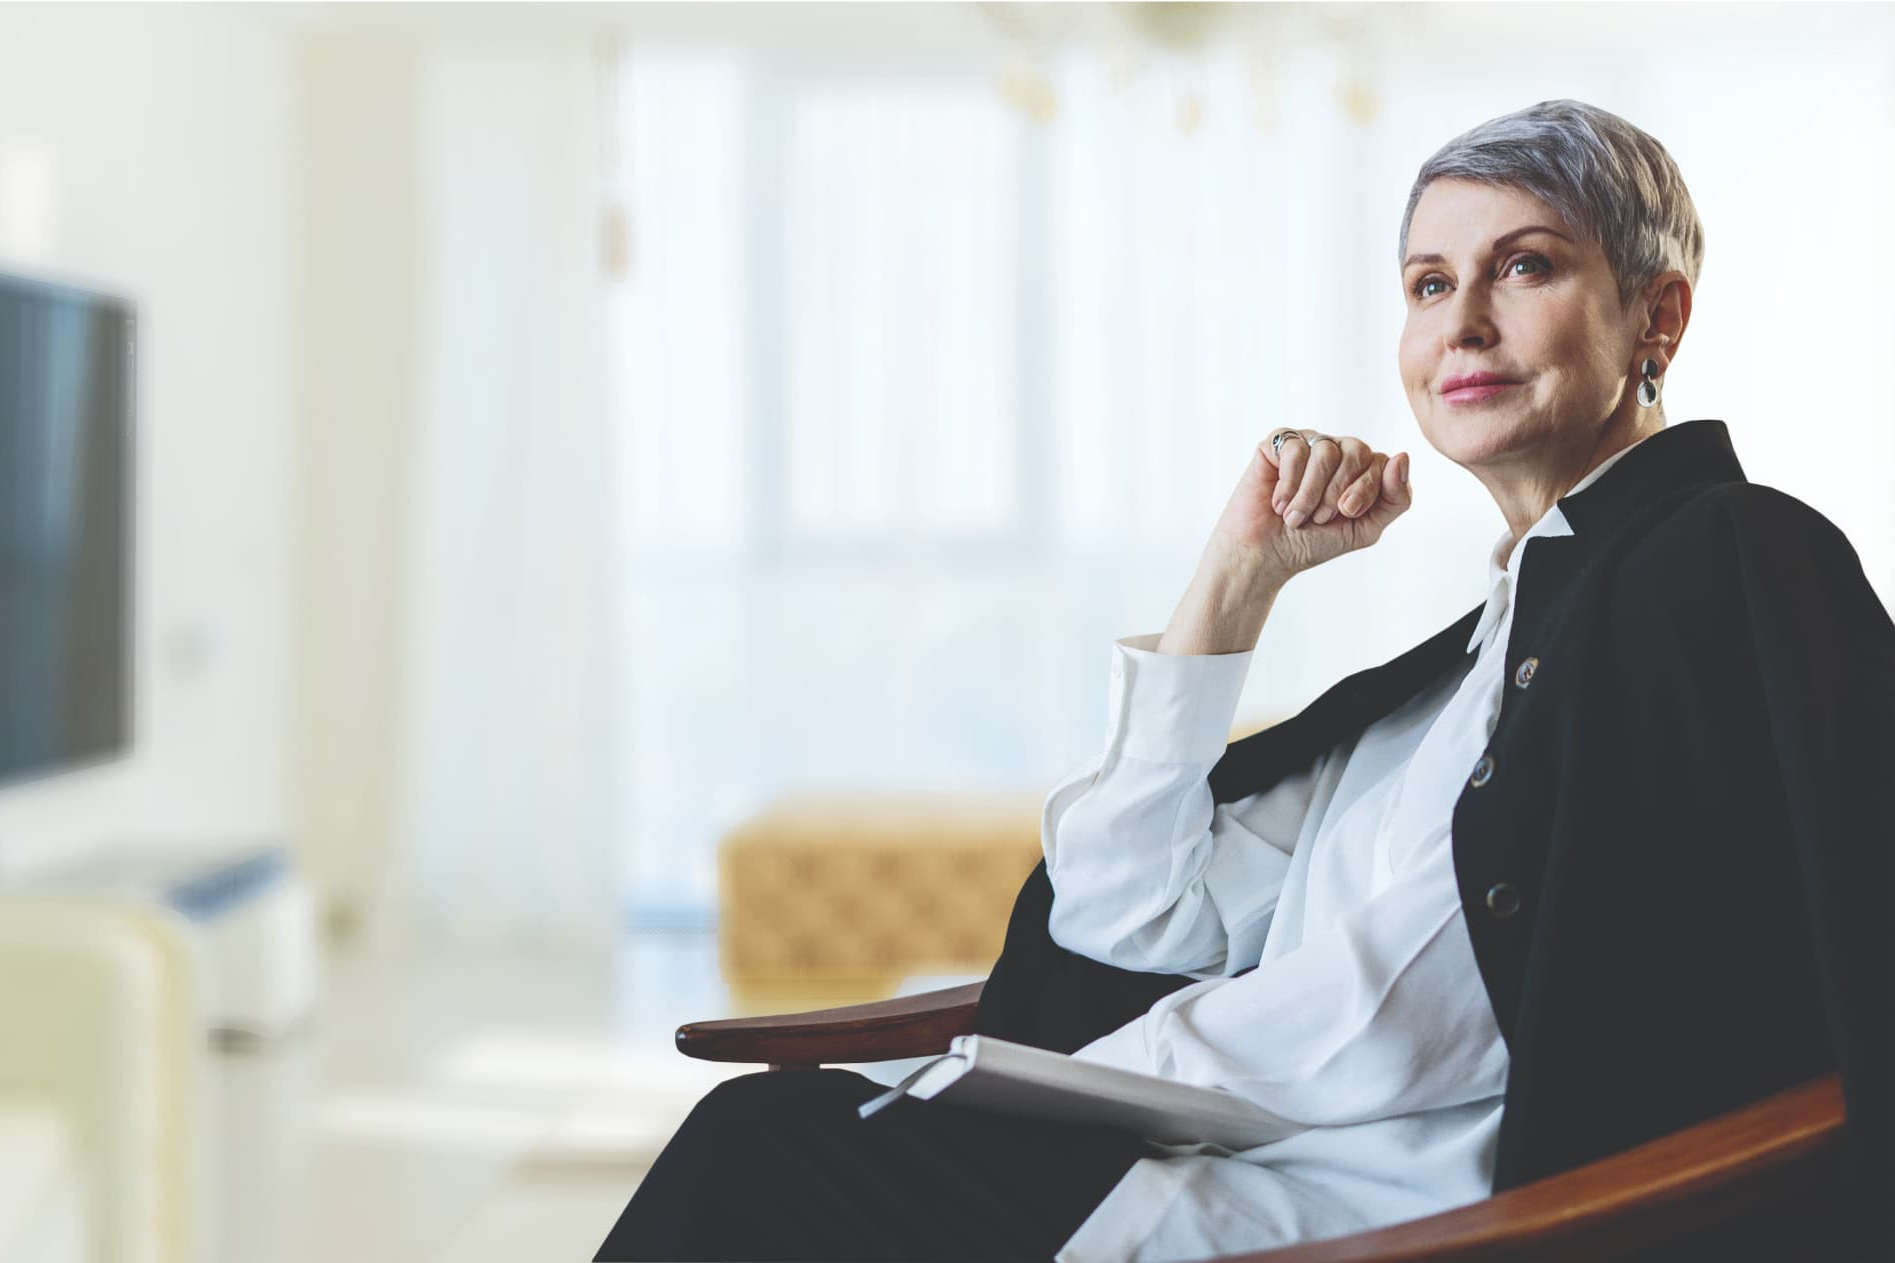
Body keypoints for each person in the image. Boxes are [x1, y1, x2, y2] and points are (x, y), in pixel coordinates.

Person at [595, 98, 1893, 1263]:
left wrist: (1053, 1080)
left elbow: (1435, 992)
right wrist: (1236, 581)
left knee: (760, 1155)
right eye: (1429, 283)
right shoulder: (1476, 656)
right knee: (762, 1146)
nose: (1462, 323)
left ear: (1657, 317)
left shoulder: (1716, 558)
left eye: (1525, 266)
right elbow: (1128, 920)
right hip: (1243, 1166)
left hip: (1392, 1215)